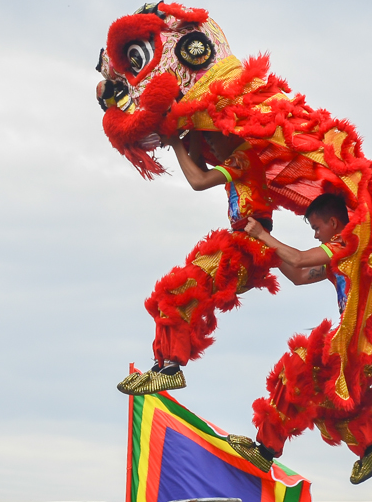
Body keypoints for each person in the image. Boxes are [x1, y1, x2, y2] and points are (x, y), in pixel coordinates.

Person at [227, 193, 372, 485]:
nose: (315, 235)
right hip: (361, 344)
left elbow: (300, 258)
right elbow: (299, 275)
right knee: (329, 397)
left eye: (317, 228)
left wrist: (263, 234)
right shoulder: (342, 254)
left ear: (333, 222)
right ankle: (370, 447)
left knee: (297, 368)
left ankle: (265, 450)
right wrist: (265, 251)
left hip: (360, 340)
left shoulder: (346, 242)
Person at [117, 130, 281, 396]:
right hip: (236, 243)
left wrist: (174, 143)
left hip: (246, 248)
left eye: (212, 139)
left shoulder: (241, 158)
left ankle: (172, 367)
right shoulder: (237, 159)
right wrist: (192, 135)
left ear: (228, 135)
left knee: (181, 292)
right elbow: (200, 166)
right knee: (165, 294)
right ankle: (163, 365)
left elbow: (199, 180)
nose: (211, 148)